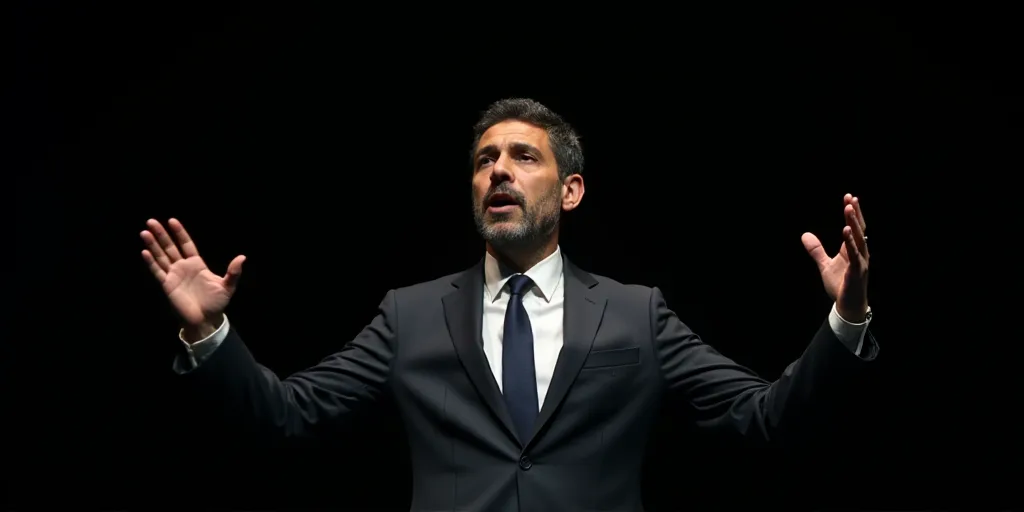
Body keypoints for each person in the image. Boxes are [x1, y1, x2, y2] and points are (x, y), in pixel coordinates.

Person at [140, 98, 878, 511]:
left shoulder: (636, 315)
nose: (498, 171)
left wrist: (844, 321)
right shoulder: (410, 316)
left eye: (524, 157)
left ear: (570, 190)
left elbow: (766, 419)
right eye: (484, 160)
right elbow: (285, 417)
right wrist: (208, 334)